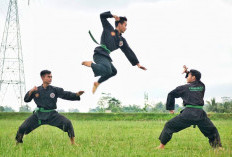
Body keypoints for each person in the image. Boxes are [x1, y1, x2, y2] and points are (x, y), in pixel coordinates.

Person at [156, 65, 222, 149]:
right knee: (212, 130)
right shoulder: (201, 86)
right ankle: (218, 147)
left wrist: (170, 108)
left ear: (193, 77)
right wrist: (187, 72)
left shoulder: (184, 87)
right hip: (200, 114)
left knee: (169, 126)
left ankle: (161, 146)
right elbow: (197, 80)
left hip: (188, 114)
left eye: (189, 76)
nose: (187, 77)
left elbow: (171, 94)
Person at [82, 11, 147, 94]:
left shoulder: (122, 41)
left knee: (113, 72)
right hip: (99, 54)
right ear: (119, 24)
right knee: (108, 70)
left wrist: (138, 64)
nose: (126, 28)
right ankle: (91, 64)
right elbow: (102, 16)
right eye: (125, 25)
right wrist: (112, 16)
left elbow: (128, 51)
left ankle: (97, 83)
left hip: (106, 56)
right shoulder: (108, 28)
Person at [15, 70, 84, 145]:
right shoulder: (36, 90)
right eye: (48, 77)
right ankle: (17, 143)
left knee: (67, 123)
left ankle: (73, 143)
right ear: (42, 77)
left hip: (52, 114)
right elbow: (26, 99)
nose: (50, 78)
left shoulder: (55, 90)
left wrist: (76, 94)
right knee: (22, 128)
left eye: (51, 77)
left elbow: (65, 94)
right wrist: (31, 91)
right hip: (38, 115)